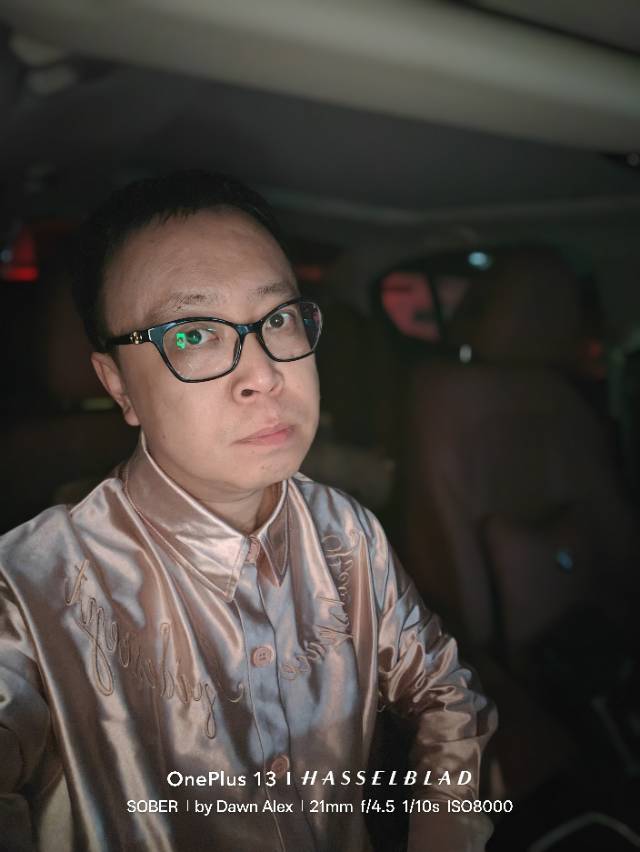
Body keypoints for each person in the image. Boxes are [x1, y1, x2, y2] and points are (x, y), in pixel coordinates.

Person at [0, 171, 496, 852]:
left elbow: (446, 694)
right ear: (118, 385)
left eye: (279, 319)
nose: (263, 374)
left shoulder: (346, 532)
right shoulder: (28, 592)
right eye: (193, 335)